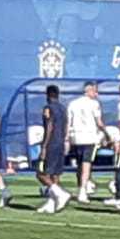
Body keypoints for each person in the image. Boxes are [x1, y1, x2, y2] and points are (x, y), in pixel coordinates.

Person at [34, 84, 72, 214]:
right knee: (55, 174)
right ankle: (52, 202)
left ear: (48, 95)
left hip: (51, 143)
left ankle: (60, 193)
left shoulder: (48, 108)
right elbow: (66, 125)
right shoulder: (63, 108)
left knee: (41, 173)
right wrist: (65, 140)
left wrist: (44, 145)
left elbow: (49, 126)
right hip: (60, 142)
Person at [66, 81, 105, 203]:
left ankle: (82, 187)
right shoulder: (94, 104)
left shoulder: (73, 104)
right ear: (89, 90)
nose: (97, 93)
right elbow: (99, 122)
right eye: (95, 91)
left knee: (80, 165)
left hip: (76, 138)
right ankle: (83, 190)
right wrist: (107, 135)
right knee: (86, 165)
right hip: (89, 138)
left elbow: (68, 123)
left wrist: (67, 138)